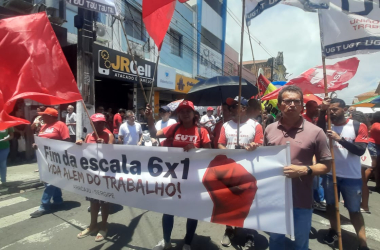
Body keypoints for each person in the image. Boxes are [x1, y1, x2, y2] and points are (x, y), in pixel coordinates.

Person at [264, 86, 332, 250]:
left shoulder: (316, 132)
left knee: (301, 244)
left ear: (302, 105)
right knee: (275, 241)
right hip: (274, 199)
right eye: (287, 101)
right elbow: (264, 160)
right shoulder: (269, 129)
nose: (292, 104)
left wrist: (304, 170)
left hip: (302, 199)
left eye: (297, 101)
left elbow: (327, 165)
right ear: (280, 105)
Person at [146, 100, 211, 250]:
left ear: (194, 114)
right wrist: (149, 118)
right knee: (168, 209)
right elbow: (153, 133)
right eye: (182, 111)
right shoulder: (174, 128)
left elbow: (210, 154)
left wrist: (196, 149)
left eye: (188, 111)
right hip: (173, 177)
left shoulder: (202, 131)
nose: (185, 113)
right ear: (179, 115)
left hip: (194, 180)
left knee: (192, 212)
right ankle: (166, 241)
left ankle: (187, 243)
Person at [317, 98, 369, 250]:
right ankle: (333, 230)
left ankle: (362, 243)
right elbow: (317, 130)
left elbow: (360, 150)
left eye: (335, 109)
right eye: (330, 110)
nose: (331, 112)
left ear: (344, 110)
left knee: (354, 210)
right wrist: (322, 111)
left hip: (351, 177)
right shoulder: (327, 124)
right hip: (330, 174)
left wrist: (340, 139)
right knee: (331, 206)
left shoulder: (357, 126)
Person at [217, 96, 263, 249]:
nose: (232, 110)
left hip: (249, 171)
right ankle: (229, 229)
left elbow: (260, 145)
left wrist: (253, 146)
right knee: (229, 202)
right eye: (231, 107)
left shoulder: (256, 126)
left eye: (236, 106)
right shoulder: (226, 125)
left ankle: (249, 232)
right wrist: (230, 153)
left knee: (249, 202)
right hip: (230, 170)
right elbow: (220, 144)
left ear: (244, 108)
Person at [76, 113, 114, 242]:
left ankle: (103, 225)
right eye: (96, 123)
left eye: (101, 122)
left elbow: (113, 154)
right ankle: (92, 225)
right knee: (93, 201)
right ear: (91, 124)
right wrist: (79, 145)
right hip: (91, 175)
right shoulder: (88, 136)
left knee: (104, 202)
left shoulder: (109, 135)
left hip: (104, 174)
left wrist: (105, 145)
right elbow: (84, 154)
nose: (99, 125)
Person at [30, 107, 70, 218]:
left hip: (56, 158)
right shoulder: (44, 126)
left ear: (51, 116)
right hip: (44, 158)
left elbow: (66, 141)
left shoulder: (60, 125)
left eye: (44, 115)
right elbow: (40, 139)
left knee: (50, 181)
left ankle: (44, 205)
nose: (42, 117)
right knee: (52, 179)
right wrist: (36, 145)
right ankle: (58, 201)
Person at [350, 111, 372, 213]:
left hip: (359, 155)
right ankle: (362, 203)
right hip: (360, 155)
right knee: (360, 181)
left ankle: (365, 205)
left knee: (362, 181)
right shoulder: (364, 126)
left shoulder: (358, 127)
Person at [368, 111, 380, 193]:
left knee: (377, 168)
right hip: (374, 146)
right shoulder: (376, 125)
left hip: (376, 146)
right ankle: (362, 184)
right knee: (372, 167)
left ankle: (378, 186)